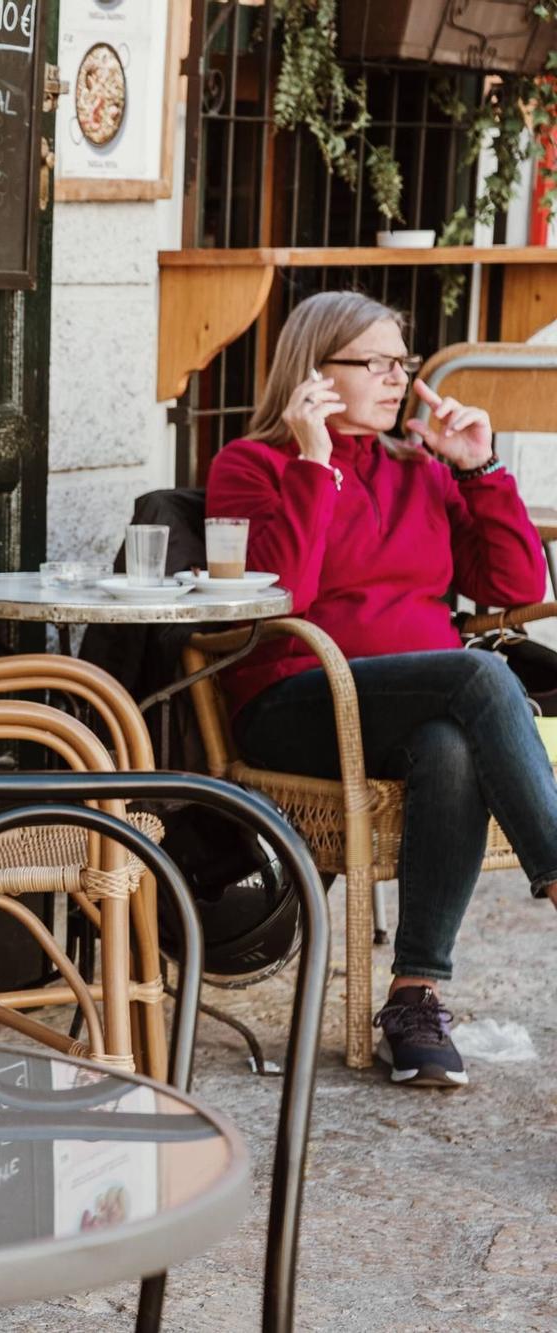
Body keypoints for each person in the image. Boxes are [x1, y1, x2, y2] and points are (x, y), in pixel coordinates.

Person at [207, 290, 557, 1089]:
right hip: (299, 701)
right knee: (478, 672)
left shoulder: (420, 468)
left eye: (401, 361)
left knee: (449, 742)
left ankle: (414, 996)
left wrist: (481, 467)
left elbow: (512, 580)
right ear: (314, 371)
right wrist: (312, 462)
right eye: (374, 362)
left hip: (420, 712)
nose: (397, 378)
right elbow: (284, 595)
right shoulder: (252, 465)